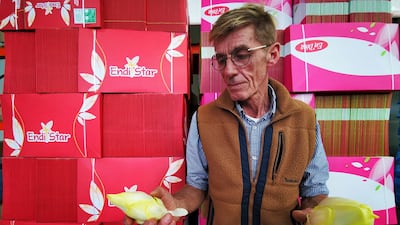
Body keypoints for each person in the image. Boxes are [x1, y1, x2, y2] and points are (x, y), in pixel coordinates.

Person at [125, 4, 329, 225]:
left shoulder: (304, 119)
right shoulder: (204, 118)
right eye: (221, 60)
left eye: (241, 56)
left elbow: (314, 190)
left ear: (272, 54)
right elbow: (196, 185)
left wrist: (313, 213)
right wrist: (175, 206)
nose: (229, 71)